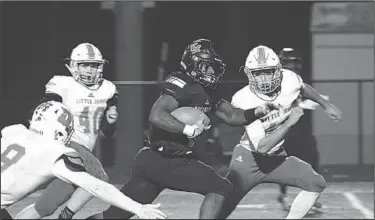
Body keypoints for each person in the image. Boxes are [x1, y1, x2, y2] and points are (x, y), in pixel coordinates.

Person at [86, 39, 270, 219]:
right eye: (206, 66)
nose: (211, 72)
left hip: (157, 160)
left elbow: (233, 116)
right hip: (164, 158)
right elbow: (156, 115)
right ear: (192, 64)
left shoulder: (208, 92)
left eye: (212, 67)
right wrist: (187, 129)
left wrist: (260, 110)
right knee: (221, 186)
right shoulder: (183, 83)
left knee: (114, 216)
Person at [217, 45, 342, 219]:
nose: (264, 78)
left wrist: (326, 105)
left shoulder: (289, 80)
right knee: (220, 209)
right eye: (258, 73)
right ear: (249, 74)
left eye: (268, 72)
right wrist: (289, 123)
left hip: (276, 158)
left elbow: (303, 87)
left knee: (316, 183)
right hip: (248, 160)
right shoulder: (243, 99)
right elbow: (262, 147)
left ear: (278, 70)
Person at [1, 101, 167, 220]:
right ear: (61, 131)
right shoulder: (56, 153)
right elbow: (97, 186)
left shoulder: (14, 131)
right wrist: (138, 208)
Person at [16, 43, 119, 219]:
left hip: (80, 156)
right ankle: (65, 216)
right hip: (66, 143)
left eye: (93, 65)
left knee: (46, 206)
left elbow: (108, 132)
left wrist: (110, 121)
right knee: (98, 177)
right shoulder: (62, 84)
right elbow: (45, 107)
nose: (89, 70)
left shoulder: (108, 89)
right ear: (72, 66)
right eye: (84, 65)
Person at [276, 47, 323, 211]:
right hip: (285, 129)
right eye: (290, 62)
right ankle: (284, 195)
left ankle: (310, 194)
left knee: (313, 160)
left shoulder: (299, 80)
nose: (294, 66)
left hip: (302, 128)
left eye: (296, 62)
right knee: (284, 164)